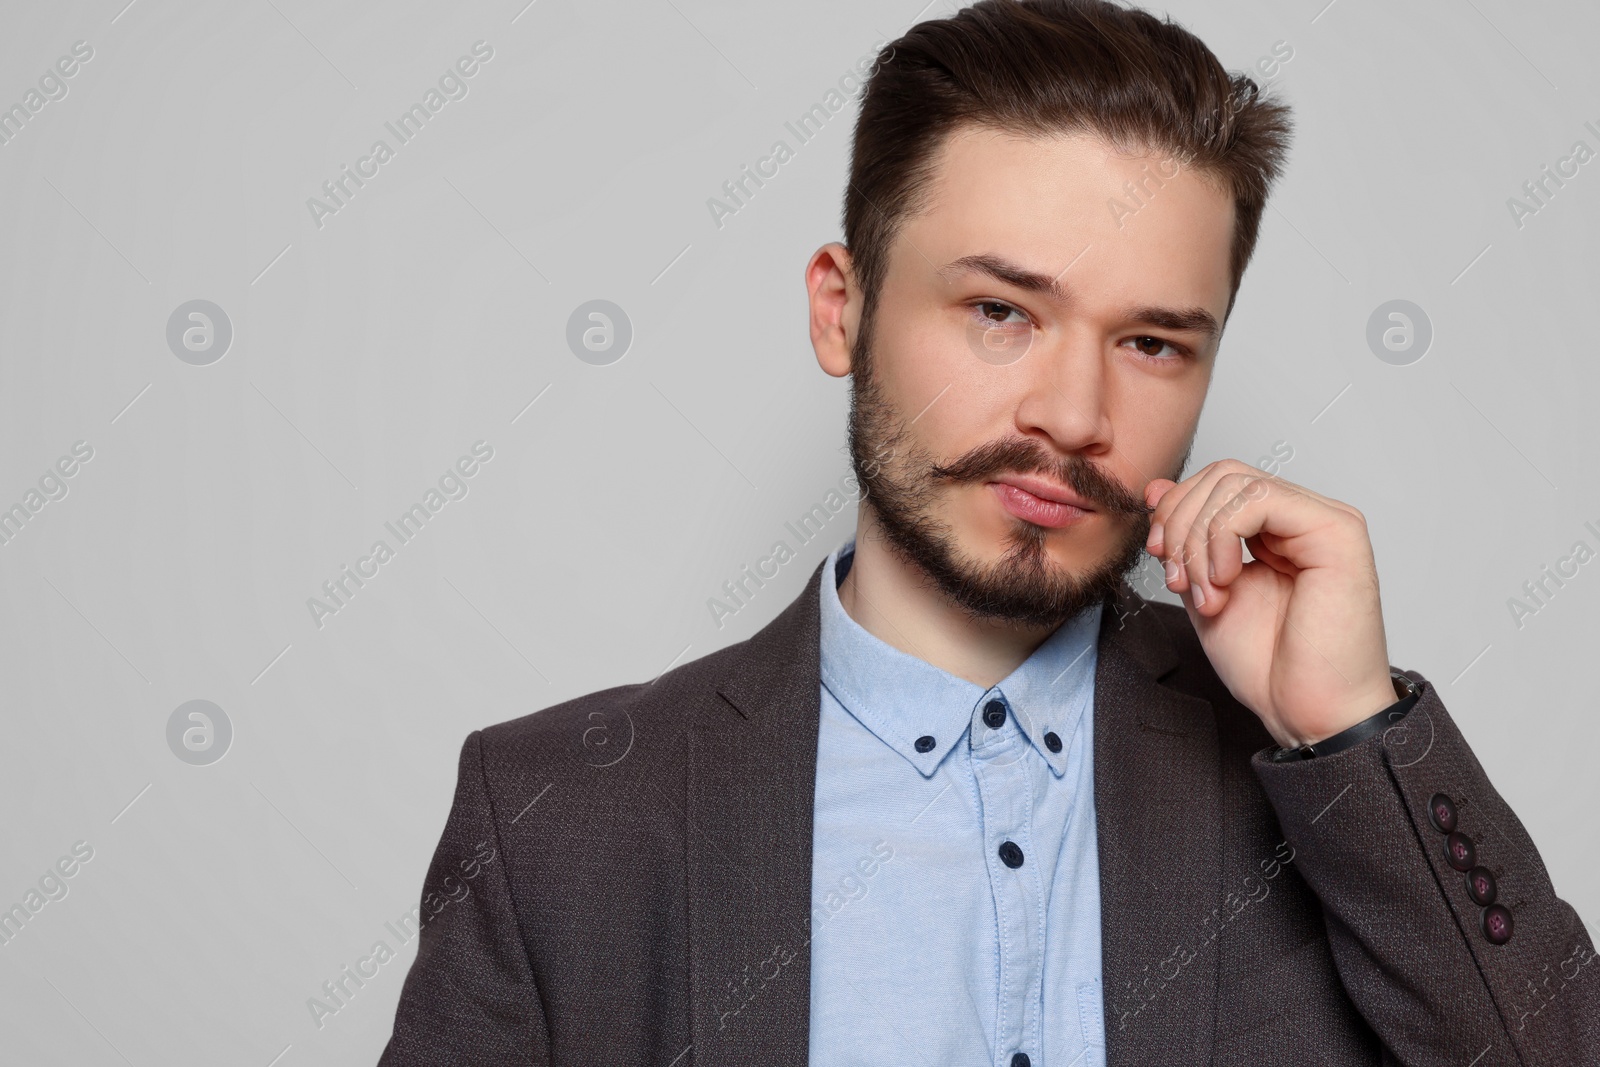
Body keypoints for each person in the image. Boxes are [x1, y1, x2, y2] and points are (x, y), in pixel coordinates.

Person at [378, 1, 1598, 1063]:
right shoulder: (556, 819)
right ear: (841, 310)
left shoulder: (1323, 787)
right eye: (1001, 310)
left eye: (1152, 342)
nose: (1073, 417)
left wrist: (1350, 731)